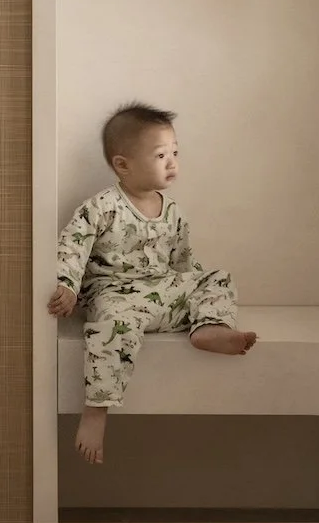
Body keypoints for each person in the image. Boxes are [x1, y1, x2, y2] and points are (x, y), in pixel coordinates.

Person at [50, 101, 257, 463]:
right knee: (111, 325)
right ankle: (97, 410)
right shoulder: (101, 207)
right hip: (113, 295)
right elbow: (72, 247)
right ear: (123, 165)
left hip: (160, 294)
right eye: (161, 155)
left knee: (216, 275)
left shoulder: (173, 211)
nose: (173, 162)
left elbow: (183, 264)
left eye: (175, 152)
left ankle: (209, 327)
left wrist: (193, 290)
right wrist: (67, 286)